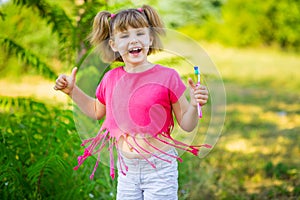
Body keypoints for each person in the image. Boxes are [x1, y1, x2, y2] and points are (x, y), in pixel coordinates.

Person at [54, 4, 209, 200]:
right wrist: (71, 91)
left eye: (140, 34)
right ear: (113, 45)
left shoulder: (167, 76)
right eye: (124, 36)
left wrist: (194, 105)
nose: (133, 40)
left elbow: (187, 124)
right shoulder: (110, 79)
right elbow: (95, 110)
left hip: (160, 169)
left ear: (150, 38)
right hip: (127, 170)